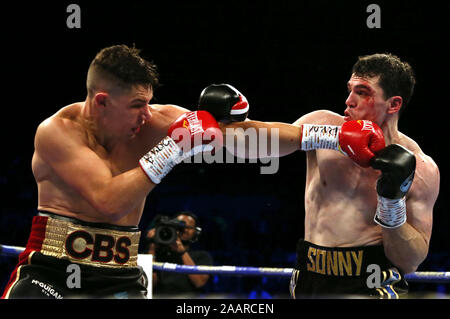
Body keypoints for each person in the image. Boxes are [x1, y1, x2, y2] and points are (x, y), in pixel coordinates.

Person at [198, 53, 440, 298]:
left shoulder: (420, 168)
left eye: (363, 92)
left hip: (372, 283)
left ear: (393, 104)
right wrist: (225, 124)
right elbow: (258, 146)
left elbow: (410, 261)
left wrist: (391, 204)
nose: (349, 101)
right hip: (310, 276)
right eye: (350, 90)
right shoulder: (322, 124)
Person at [1, 44, 222, 299]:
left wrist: (233, 117)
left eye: (148, 102)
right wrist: (173, 148)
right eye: (137, 104)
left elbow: (250, 135)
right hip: (49, 273)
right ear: (103, 101)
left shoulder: (157, 121)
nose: (146, 114)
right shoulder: (58, 131)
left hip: (120, 279)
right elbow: (109, 202)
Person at [144, 211, 213, 297]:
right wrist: (152, 248)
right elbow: (148, 286)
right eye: (179, 226)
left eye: (188, 227)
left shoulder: (202, 256)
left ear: (196, 232)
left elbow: (199, 282)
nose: (184, 230)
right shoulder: (158, 254)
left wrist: (182, 252)